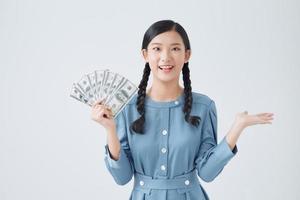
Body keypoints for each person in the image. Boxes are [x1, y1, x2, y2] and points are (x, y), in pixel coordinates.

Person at [91, 19, 274, 200]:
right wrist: (110, 129)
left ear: (187, 55)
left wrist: (237, 127)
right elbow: (122, 177)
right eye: (157, 48)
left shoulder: (204, 107)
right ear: (145, 55)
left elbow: (207, 173)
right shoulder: (127, 108)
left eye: (175, 48)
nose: (166, 57)